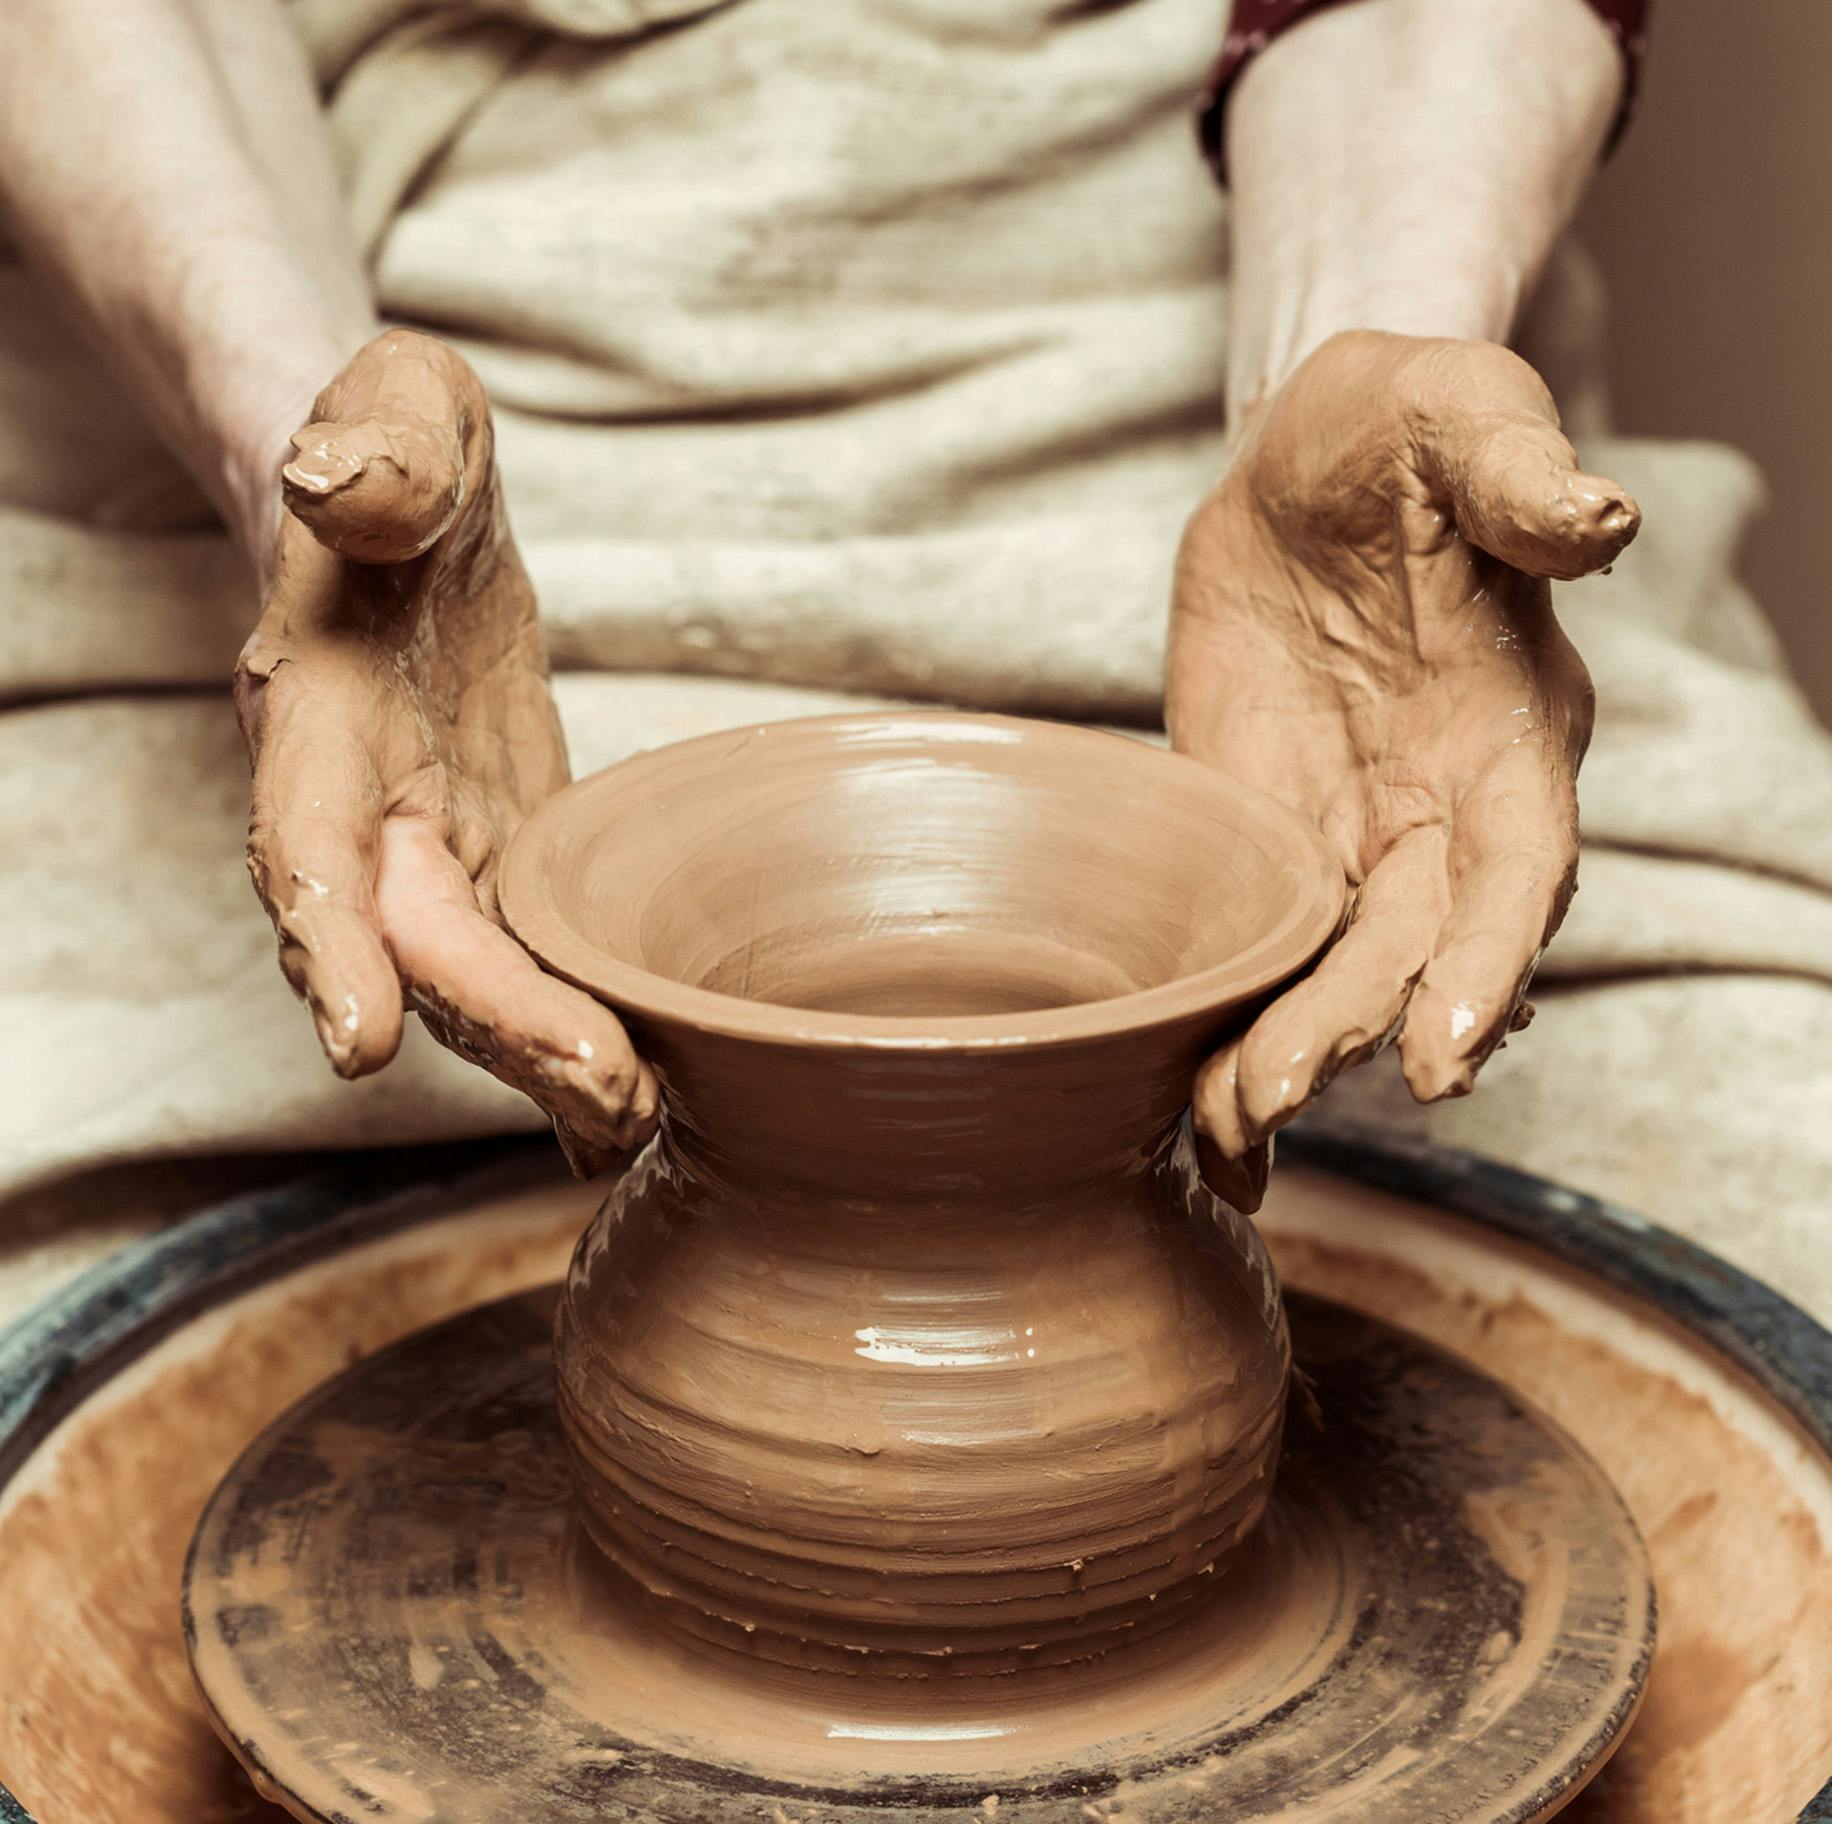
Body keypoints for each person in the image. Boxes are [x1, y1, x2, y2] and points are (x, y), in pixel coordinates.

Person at [2, 0, 1828, 1307]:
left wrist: (1363, 376)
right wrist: (299, 466)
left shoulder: (1336, 504)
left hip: (1300, 530)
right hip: (349, 439)